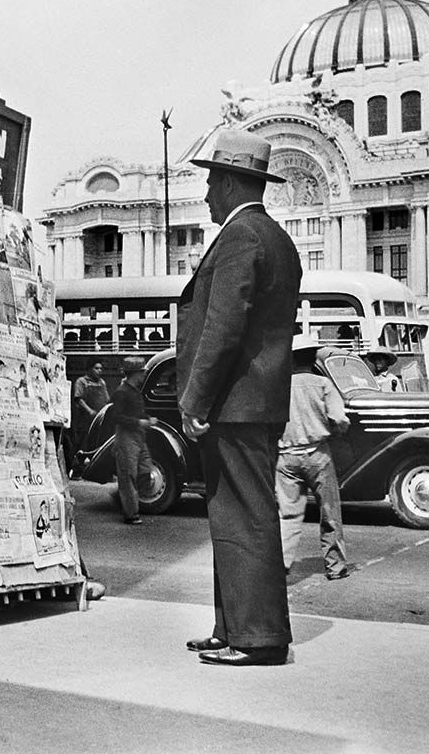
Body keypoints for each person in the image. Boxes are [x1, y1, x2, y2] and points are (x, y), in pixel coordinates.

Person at [177, 128, 301, 667]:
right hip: (253, 405)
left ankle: (258, 637)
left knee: (246, 518)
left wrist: (196, 400)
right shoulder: (273, 236)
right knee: (234, 517)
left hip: (234, 406)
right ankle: (234, 628)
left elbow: (222, 329)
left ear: (229, 182)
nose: (205, 194)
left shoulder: (241, 237)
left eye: (210, 182)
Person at [275, 336, 353, 580]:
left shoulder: (279, 385)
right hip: (318, 454)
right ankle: (335, 567)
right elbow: (340, 419)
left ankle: (281, 566)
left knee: (287, 515)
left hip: (286, 456)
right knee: (329, 512)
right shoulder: (323, 384)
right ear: (313, 358)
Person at [110, 356, 155, 525]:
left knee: (145, 470)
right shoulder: (122, 392)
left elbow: (134, 412)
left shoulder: (133, 390)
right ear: (135, 373)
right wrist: (139, 422)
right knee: (128, 476)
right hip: (126, 437)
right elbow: (116, 417)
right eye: (142, 372)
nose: (144, 376)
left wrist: (147, 419)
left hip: (137, 436)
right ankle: (131, 514)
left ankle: (127, 501)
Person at [71, 361, 109, 451]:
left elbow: (107, 399)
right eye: (96, 368)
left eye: (101, 369)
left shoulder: (102, 383)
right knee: (81, 441)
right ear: (89, 369)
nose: (99, 371)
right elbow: (78, 399)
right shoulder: (81, 381)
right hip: (84, 419)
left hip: (98, 418)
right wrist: (89, 411)